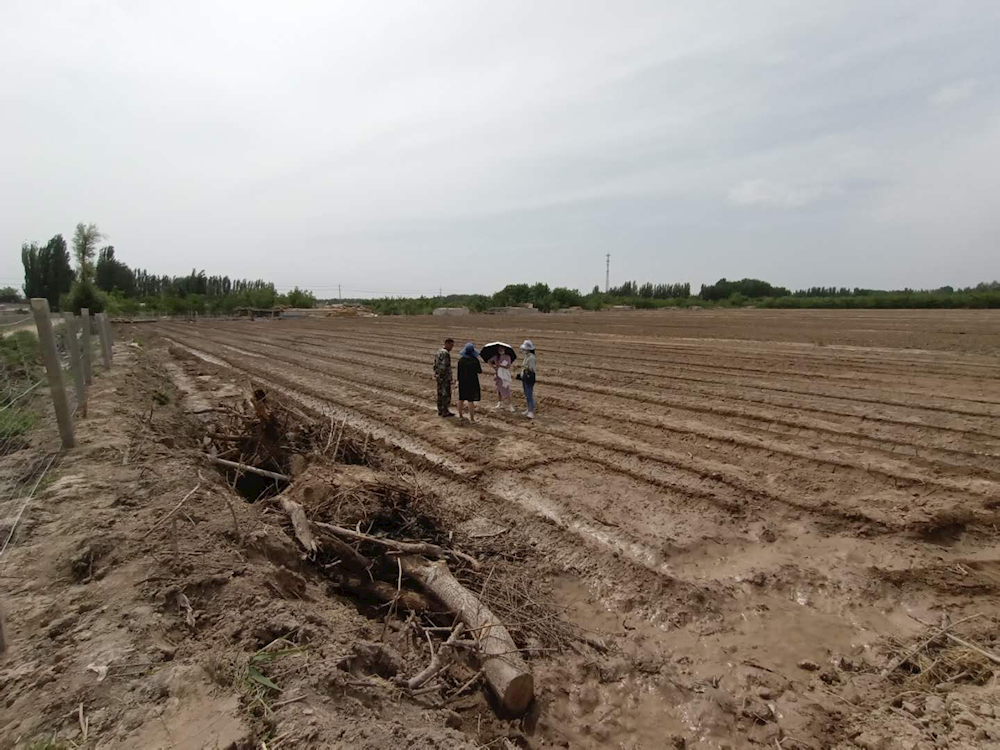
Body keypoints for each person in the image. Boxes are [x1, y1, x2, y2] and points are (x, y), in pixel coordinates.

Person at [456, 342, 482, 422]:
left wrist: (458, 381)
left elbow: (458, 373)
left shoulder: (461, 361)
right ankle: (472, 419)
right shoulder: (475, 360)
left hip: (462, 382)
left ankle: (460, 416)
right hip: (472, 382)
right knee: (470, 401)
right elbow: (479, 371)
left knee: (461, 399)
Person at [433, 338, 455, 417]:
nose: (452, 347)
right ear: (447, 344)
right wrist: (445, 376)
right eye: (451, 345)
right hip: (444, 377)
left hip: (439, 376)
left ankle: (440, 410)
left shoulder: (439, 351)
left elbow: (435, 364)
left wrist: (436, 373)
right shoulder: (445, 353)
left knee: (440, 394)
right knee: (446, 394)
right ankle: (445, 411)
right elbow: (444, 366)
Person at [489, 348, 515, 412]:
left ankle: (510, 405)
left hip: (504, 375)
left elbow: (508, 366)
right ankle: (499, 403)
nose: (500, 350)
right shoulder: (496, 356)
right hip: (498, 375)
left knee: (506, 389)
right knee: (499, 389)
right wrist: (494, 367)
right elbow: (489, 361)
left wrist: (499, 365)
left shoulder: (507, 356)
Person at [517, 339, 537, 419]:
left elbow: (532, 369)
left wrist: (524, 367)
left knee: (529, 394)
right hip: (525, 377)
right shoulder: (527, 356)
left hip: (529, 377)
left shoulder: (531, 357)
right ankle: (528, 409)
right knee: (527, 394)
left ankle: (531, 411)